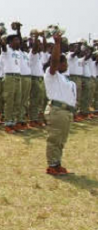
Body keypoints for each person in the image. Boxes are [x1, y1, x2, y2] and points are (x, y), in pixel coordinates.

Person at [44, 32, 76, 175]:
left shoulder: (65, 78)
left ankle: (57, 163)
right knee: (55, 139)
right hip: (57, 110)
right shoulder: (52, 75)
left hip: (66, 112)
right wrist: (57, 43)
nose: (67, 65)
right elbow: (54, 61)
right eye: (65, 62)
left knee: (61, 140)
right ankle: (52, 165)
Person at [0, 23, 24, 133]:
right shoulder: (6, 50)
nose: (18, 42)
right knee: (10, 101)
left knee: (17, 100)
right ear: (10, 42)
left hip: (17, 77)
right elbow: (2, 44)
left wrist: (18, 30)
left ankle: (13, 122)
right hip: (9, 77)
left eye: (18, 40)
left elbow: (21, 40)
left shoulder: (17, 52)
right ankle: (8, 123)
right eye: (16, 40)